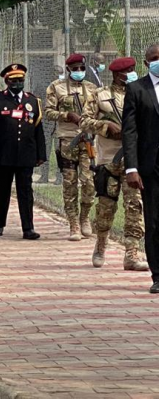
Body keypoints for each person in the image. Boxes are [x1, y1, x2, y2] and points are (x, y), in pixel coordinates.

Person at [81, 57, 149, 271]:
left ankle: (131, 253)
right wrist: (105, 125)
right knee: (105, 207)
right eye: (127, 71)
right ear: (116, 74)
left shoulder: (141, 91)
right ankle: (101, 245)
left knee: (135, 207)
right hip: (109, 158)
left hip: (135, 160)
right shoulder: (100, 95)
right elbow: (84, 121)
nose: (131, 73)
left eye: (132, 69)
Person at [0, 64, 45, 240]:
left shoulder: (33, 101)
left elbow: (38, 129)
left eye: (20, 80)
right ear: (6, 81)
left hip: (26, 154)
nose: (17, 83)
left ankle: (28, 228)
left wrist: (40, 154)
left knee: (26, 192)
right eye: (14, 80)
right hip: (4, 155)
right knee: (2, 191)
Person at [44, 54, 98, 240]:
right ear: (68, 70)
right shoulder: (55, 87)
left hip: (88, 140)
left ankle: (85, 217)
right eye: (74, 69)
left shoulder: (92, 88)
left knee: (89, 182)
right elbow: (48, 112)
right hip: (67, 139)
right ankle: (73, 222)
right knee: (70, 183)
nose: (78, 72)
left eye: (81, 68)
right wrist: (67, 115)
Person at [122, 43, 159, 293]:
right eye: (155, 58)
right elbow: (130, 131)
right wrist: (131, 168)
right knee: (154, 222)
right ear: (146, 63)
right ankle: (158, 275)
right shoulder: (136, 89)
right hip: (151, 168)